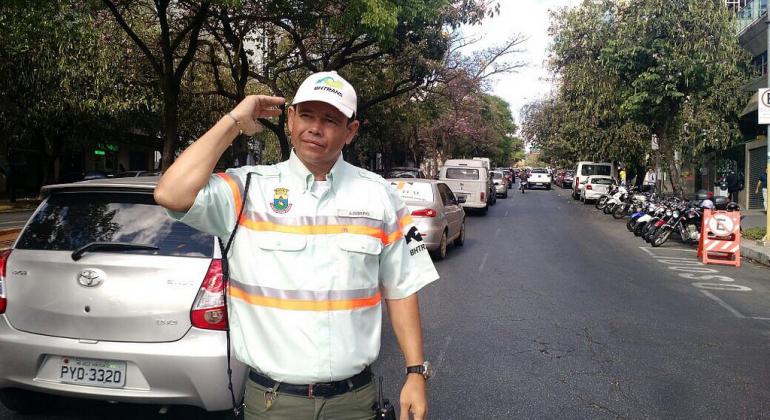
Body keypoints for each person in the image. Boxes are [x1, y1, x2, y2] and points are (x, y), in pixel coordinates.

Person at [154, 71, 438, 420]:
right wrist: (233, 122)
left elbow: (403, 287)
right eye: (306, 115)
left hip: (353, 402)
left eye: (330, 120)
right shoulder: (247, 190)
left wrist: (415, 373)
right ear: (290, 118)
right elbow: (170, 194)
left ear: (351, 131)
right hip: (273, 402)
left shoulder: (382, 196)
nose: (315, 128)